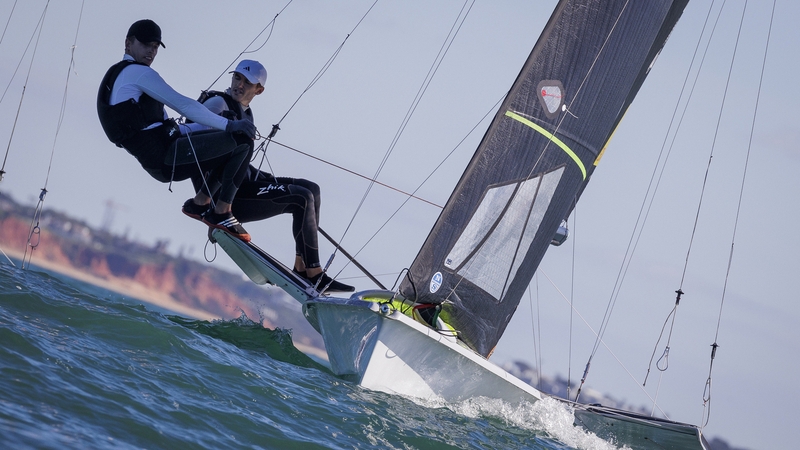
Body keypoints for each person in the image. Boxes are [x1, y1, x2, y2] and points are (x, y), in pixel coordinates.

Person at [188, 60, 354, 292]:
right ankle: (315, 274)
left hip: (245, 180)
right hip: (231, 196)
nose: (239, 85)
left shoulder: (245, 112)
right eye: (237, 78)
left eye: (247, 82)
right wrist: (212, 212)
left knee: (312, 189)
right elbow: (193, 141)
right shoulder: (218, 103)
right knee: (301, 198)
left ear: (259, 90)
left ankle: (302, 267)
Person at [96, 19, 254, 242]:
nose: (151, 51)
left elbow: (173, 128)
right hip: (166, 156)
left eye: (155, 47)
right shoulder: (137, 73)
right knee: (243, 140)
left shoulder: (118, 75)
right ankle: (221, 213)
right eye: (146, 45)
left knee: (226, 141)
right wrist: (230, 125)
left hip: (162, 155)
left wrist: (216, 124)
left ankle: (200, 204)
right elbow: (184, 105)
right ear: (128, 43)